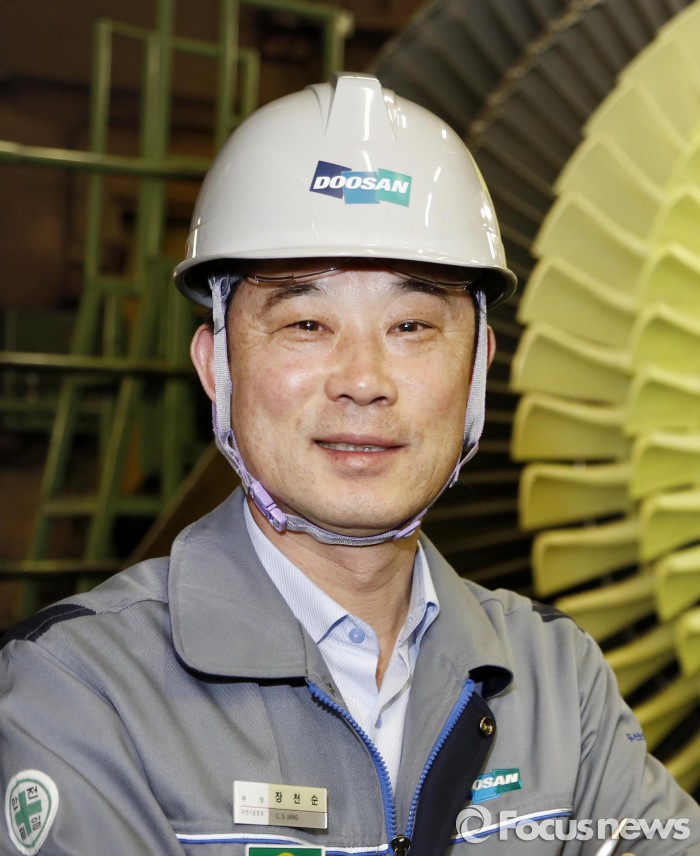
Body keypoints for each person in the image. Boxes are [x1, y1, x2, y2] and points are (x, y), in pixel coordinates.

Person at [0, 72, 698, 856]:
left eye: (412, 325)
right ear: (216, 366)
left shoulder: (556, 683)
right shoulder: (81, 692)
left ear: (479, 369)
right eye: (306, 324)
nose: (364, 380)